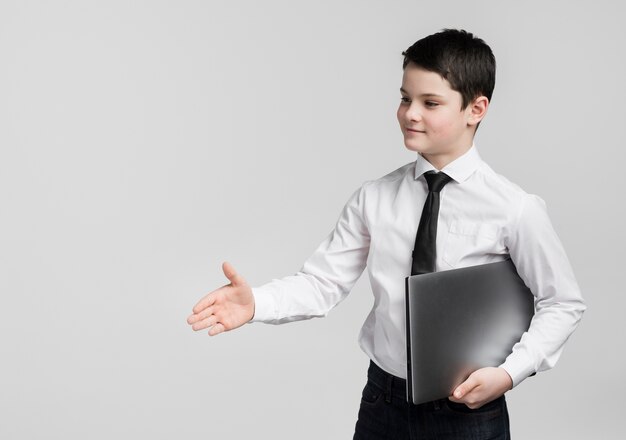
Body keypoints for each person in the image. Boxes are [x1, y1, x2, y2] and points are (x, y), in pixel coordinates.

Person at [186, 29, 586, 439]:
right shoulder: (375, 198)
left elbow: (562, 302)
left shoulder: (514, 208)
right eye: (405, 98)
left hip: (469, 409)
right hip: (383, 401)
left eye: (430, 103)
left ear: (476, 109)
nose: (410, 113)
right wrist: (256, 303)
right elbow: (322, 282)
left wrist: (509, 373)